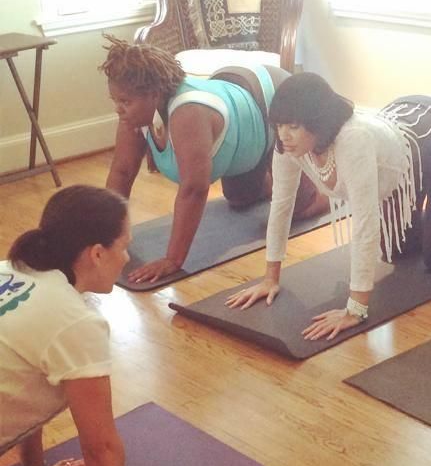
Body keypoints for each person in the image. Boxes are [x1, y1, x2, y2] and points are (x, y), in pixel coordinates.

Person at [226, 73, 431, 339]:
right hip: (405, 142)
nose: (283, 135)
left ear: (317, 123)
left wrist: (355, 309)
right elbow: (281, 206)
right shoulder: (287, 147)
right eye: (279, 125)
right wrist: (270, 279)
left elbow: (365, 223)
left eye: (292, 126)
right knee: (397, 251)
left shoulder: (353, 142)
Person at [1, 185, 179, 466]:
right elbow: (101, 449)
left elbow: (23, 380)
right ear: (97, 253)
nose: (127, 258)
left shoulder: (11, 270)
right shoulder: (75, 323)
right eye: (124, 245)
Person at [100, 37, 326, 284]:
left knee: (299, 210)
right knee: (240, 199)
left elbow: (194, 189)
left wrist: (173, 260)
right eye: (116, 101)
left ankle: (327, 191)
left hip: (271, 94)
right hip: (238, 104)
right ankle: (272, 173)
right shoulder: (133, 119)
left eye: (125, 102)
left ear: (154, 94)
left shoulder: (188, 113)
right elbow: (122, 173)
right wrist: (108, 235)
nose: (118, 110)